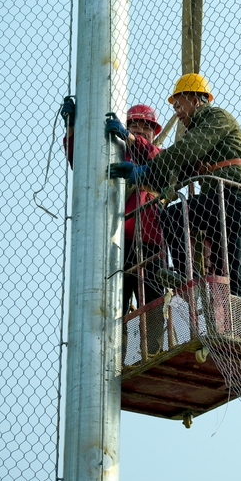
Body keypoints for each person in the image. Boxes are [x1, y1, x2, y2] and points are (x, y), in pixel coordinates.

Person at [109, 75, 241, 299]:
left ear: (195, 100)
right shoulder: (199, 130)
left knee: (174, 218)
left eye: (179, 105)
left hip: (233, 196)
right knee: (226, 270)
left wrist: (146, 170)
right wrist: (144, 175)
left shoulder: (215, 118)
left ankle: (190, 279)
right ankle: (219, 306)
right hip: (221, 199)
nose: (177, 112)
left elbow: (186, 151)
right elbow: (179, 172)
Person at [61, 99, 165, 355]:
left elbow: (158, 161)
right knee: (118, 305)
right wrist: (72, 128)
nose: (141, 130)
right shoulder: (116, 153)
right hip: (119, 240)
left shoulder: (157, 155)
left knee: (153, 300)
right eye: (136, 124)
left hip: (151, 239)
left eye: (147, 126)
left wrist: (130, 137)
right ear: (127, 125)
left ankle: (154, 351)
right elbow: (80, 161)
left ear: (154, 132)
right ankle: (117, 358)